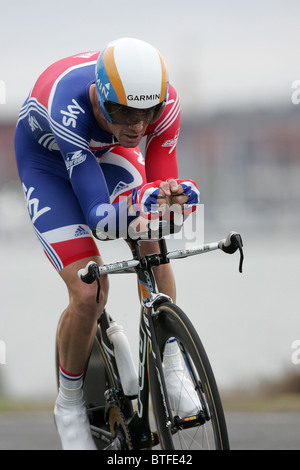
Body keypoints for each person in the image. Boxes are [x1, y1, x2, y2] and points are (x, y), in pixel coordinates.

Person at [14, 37, 200, 450]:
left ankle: (172, 362)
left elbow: (159, 180)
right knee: (88, 290)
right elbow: (100, 218)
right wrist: (139, 202)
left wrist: (168, 200)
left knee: (151, 234)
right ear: (99, 96)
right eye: (123, 113)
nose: (137, 125)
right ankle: (68, 402)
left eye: (145, 114)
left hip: (106, 152)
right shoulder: (68, 102)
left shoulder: (165, 103)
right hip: (50, 165)